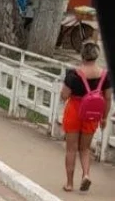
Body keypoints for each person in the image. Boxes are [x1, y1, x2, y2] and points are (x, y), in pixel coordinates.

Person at [60, 42, 112, 193]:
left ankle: (69, 184)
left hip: (74, 112)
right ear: (96, 56)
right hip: (92, 115)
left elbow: (64, 95)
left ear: (82, 55)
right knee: (85, 149)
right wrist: (104, 118)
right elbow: (108, 98)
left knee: (71, 149)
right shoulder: (105, 75)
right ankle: (86, 175)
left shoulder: (73, 74)